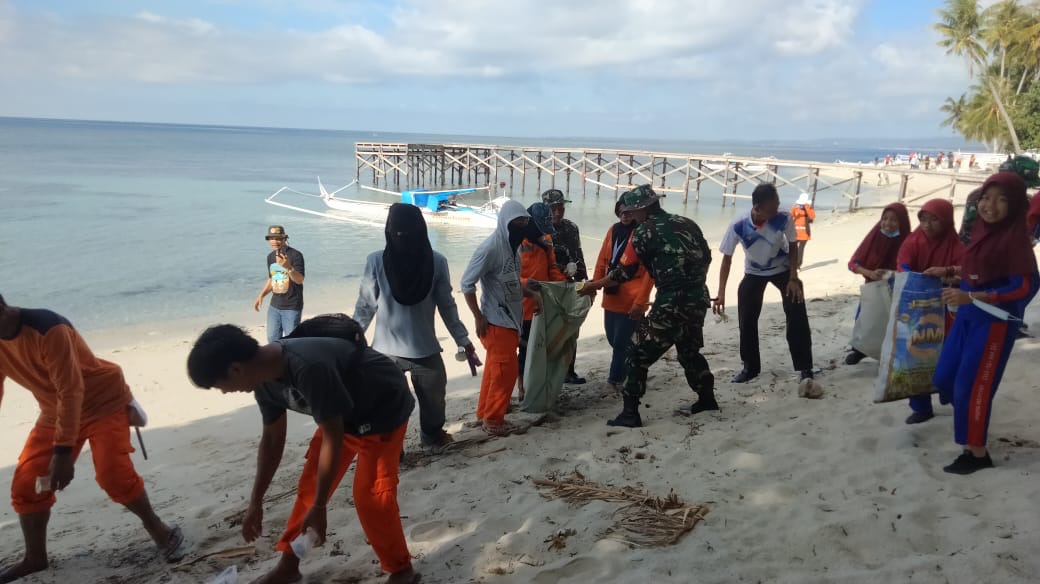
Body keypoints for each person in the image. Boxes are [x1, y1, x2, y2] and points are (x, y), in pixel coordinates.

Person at [186, 323, 419, 584]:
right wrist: (256, 501)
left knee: (370, 496)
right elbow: (273, 440)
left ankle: (401, 569)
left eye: (221, 386)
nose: (225, 392)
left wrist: (321, 507)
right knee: (310, 487)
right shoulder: (263, 381)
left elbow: (333, 436)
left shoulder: (308, 367)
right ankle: (288, 565)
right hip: (341, 417)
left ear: (236, 369)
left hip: (381, 409)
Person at [0, 294, 183, 582]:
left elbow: (71, 391)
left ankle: (159, 528)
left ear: (3, 310)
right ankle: (35, 557)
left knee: (113, 475)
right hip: (54, 411)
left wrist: (63, 454)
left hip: (102, 401)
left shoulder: (49, 329)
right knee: (26, 482)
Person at [580, 185, 715, 427]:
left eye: (632, 211)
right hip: (698, 299)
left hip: (671, 303)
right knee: (689, 351)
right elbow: (706, 256)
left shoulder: (643, 233)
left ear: (642, 209)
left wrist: (595, 284)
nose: (630, 216)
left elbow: (624, 272)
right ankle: (707, 399)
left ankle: (630, 413)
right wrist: (694, 283)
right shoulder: (687, 223)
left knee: (636, 353)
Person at [933, 172, 1039, 474]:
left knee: (973, 387)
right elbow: (977, 268)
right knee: (944, 378)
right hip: (966, 316)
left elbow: (1024, 286)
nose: (991, 206)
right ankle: (971, 421)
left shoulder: (1015, 239)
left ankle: (976, 453)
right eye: (987, 198)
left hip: (992, 325)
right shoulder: (982, 230)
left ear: (1015, 205)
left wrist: (978, 296)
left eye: (1001, 200)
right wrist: (951, 272)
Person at [353, 204, 477, 451]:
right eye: (396, 230)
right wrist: (351, 336)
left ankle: (431, 436)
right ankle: (392, 449)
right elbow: (365, 305)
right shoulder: (376, 261)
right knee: (389, 406)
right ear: (388, 230)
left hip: (425, 348)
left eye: (405, 230)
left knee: (434, 399)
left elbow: (447, 306)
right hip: (386, 352)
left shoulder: (437, 263)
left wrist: (463, 339)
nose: (400, 235)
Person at [713, 184, 814, 383]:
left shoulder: (783, 218)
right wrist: (721, 292)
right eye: (772, 209)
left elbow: (793, 246)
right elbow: (726, 259)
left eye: (777, 205)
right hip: (754, 271)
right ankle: (750, 367)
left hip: (783, 269)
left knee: (796, 313)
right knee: (746, 318)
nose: (776, 211)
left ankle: (805, 367)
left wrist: (793, 278)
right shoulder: (738, 224)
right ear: (757, 208)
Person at [460, 200, 540, 436]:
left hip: (510, 320)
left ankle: (485, 413)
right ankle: (494, 421)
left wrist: (532, 294)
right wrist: (477, 316)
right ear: (506, 223)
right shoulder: (490, 248)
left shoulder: (512, 247)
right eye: (518, 223)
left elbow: (510, 282)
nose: (523, 227)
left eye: (525, 222)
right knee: (506, 372)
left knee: (496, 370)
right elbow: (466, 283)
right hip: (496, 320)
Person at [895, 199, 965, 424]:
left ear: (946, 221)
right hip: (918, 304)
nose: (927, 224)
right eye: (923, 219)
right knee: (916, 352)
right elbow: (902, 265)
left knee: (948, 353)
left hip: (948, 305)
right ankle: (921, 407)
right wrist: (916, 278)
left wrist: (944, 276)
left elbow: (966, 275)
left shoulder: (956, 246)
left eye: (934, 219)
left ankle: (952, 396)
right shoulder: (913, 240)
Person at [592, 200, 654, 393]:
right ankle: (631, 368)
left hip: (632, 295)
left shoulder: (642, 233)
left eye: (628, 212)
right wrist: (594, 284)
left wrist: (641, 301)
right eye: (621, 212)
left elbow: (648, 273)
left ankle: (615, 380)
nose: (625, 216)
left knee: (621, 342)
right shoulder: (613, 230)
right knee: (613, 338)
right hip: (611, 291)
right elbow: (603, 258)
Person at [844, 203, 911, 365]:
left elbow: (911, 269)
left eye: (894, 220)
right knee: (866, 321)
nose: (888, 224)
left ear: (902, 222)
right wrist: (869, 273)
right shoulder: (874, 236)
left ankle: (890, 354)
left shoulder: (909, 241)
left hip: (897, 290)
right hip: (873, 289)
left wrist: (892, 274)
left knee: (892, 324)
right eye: (885, 219)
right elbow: (853, 264)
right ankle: (860, 350)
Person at [516, 202, 567, 399]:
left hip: (544, 304)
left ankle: (537, 383)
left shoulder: (546, 241)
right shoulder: (517, 243)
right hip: (521, 307)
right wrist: (525, 283)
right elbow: (506, 276)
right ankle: (521, 386)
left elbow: (552, 268)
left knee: (541, 349)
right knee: (523, 349)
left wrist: (563, 286)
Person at [541, 188, 589, 385]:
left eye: (560, 207)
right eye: (553, 208)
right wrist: (561, 269)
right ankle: (547, 372)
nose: (558, 212)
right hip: (552, 287)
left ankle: (569, 370)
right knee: (551, 331)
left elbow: (578, 253)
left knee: (572, 330)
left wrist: (586, 282)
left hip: (573, 285)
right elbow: (540, 263)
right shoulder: (541, 231)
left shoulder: (571, 227)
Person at [254, 225, 306, 342]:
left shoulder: (296, 255)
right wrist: (261, 295)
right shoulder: (270, 257)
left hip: (292, 307)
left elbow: (300, 280)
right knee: (273, 340)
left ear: (284, 239)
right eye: (271, 238)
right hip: (274, 307)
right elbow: (272, 279)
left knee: (291, 342)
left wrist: (288, 267)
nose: (274, 241)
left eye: (278, 238)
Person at [790, 192, 816, 268]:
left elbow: (812, 216)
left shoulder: (809, 208)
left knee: (800, 249)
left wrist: (806, 207)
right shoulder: (795, 207)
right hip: (795, 232)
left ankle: (798, 265)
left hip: (805, 233)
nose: (800, 205)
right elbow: (790, 216)